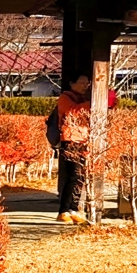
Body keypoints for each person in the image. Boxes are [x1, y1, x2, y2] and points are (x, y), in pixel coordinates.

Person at [48, 73, 94, 223]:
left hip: (83, 140)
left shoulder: (85, 99)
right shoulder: (65, 98)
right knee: (73, 175)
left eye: (87, 83)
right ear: (72, 83)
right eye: (81, 82)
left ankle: (73, 209)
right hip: (70, 139)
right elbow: (73, 111)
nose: (85, 86)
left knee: (80, 177)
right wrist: (91, 104)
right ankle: (63, 211)